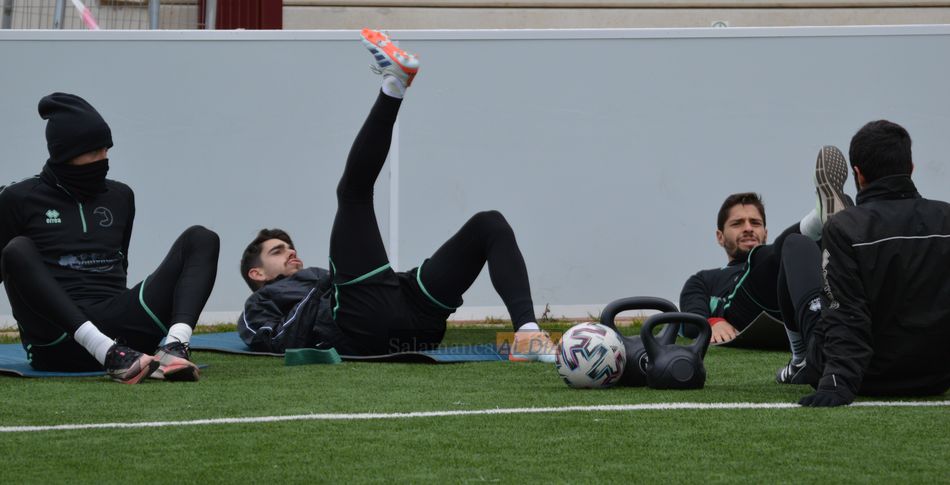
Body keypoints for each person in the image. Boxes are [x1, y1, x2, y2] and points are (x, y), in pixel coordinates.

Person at [237, 29, 556, 362]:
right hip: (363, 324)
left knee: (489, 224)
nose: (291, 253)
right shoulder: (260, 302)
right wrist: (322, 303)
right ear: (256, 274)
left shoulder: (317, 276)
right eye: (277, 251)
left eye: (289, 246)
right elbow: (269, 338)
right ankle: (393, 85)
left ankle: (527, 334)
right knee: (352, 194)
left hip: (417, 322)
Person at [0, 93, 219, 383]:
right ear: (65, 154)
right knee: (16, 250)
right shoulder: (18, 198)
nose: (103, 160)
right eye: (93, 152)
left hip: (123, 330)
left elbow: (120, 264)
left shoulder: (121, 196)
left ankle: (174, 346)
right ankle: (108, 354)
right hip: (58, 339)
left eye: (106, 150)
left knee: (202, 238)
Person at [794, 120, 950, 407]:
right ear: (911, 169)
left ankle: (797, 360)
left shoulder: (845, 228)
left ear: (858, 174)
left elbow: (845, 314)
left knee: (794, 247)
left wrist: (836, 384)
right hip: (936, 379)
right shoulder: (946, 217)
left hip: (867, 379)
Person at [679, 146, 853, 381]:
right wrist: (712, 322)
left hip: (799, 312)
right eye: (738, 223)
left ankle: (836, 224)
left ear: (766, 231)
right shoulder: (704, 279)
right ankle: (824, 221)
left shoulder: (781, 255)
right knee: (768, 257)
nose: (749, 228)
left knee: (800, 249)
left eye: (755, 222)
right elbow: (690, 321)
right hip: (746, 310)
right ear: (719, 236)